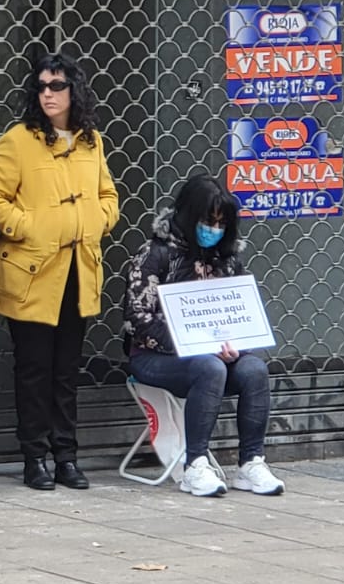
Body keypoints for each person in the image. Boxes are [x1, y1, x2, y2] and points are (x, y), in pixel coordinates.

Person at [0, 52, 118, 491]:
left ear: (75, 90)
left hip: (79, 270)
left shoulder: (91, 140)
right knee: (34, 368)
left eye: (57, 85)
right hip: (32, 272)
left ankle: (67, 456)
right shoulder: (18, 139)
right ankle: (34, 456)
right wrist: (29, 228)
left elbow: (108, 196)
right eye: (41, 86)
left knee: (66, 370)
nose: (48, 94)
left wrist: (95, 221)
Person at [121, 174, 285, 497]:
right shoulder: (155, 254)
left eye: (221, 223)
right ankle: (195, 464)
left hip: (216, 355)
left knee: (254, 371)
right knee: (209, 369)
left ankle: (251, 462)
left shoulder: (227, 259)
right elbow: (138, 319)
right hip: (154, 357)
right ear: (188, 216)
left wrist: (236, 344)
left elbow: (240, 313)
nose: (214, 230)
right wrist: (193, 345)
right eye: (207, 221)